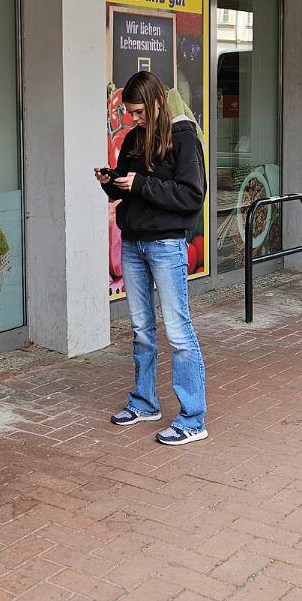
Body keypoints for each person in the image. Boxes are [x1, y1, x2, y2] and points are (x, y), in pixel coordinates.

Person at [95, 70, 208, 445]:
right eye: (130, 113)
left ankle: (193, 419)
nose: (134, 119)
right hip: (133, 243)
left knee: (178, 331)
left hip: (166, 245)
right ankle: (144, 403)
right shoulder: (132, 138)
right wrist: (111, 183)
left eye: (140, 112)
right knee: (141, 330)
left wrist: (140, 184)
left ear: (158, 103)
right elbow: (126, 193)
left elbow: (191, 195)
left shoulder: (183, 137)